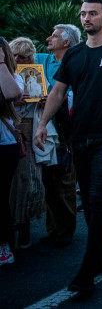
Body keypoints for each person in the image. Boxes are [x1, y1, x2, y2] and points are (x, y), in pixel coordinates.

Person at [34, 0, 102, 295]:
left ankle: (87, 268)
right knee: (91, 204)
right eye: (83, 14)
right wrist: (43, 124)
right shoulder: (75, 55)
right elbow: (57, 92)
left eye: (93, 13)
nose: (86, 18)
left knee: (96, 198)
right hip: (79, 138)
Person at [36, 24, 80, 247]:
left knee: (64, 176)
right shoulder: (43, 60)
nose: (48, 38)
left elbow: (75, 92)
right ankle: (52, 227)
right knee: (48, 178)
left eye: (54, 36)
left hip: (64, 128)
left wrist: (58, 98)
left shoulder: (77, 62)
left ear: (67, 42)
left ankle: (66, 228)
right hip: (43, 125)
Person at [8, 38, 47, 250]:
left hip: (30, 131)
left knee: (27, 181)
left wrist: (43, 100)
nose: (17, 60)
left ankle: (23, 227)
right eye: (14, 55)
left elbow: (49, 102)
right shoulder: (6, 76)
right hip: (10, 130)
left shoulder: (36, 74)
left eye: (22, 56)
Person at [0, 37, 23, 265]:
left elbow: (11, 94)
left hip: (4, 146)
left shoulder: (12, 77)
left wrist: (0, 64)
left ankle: (4, 244)